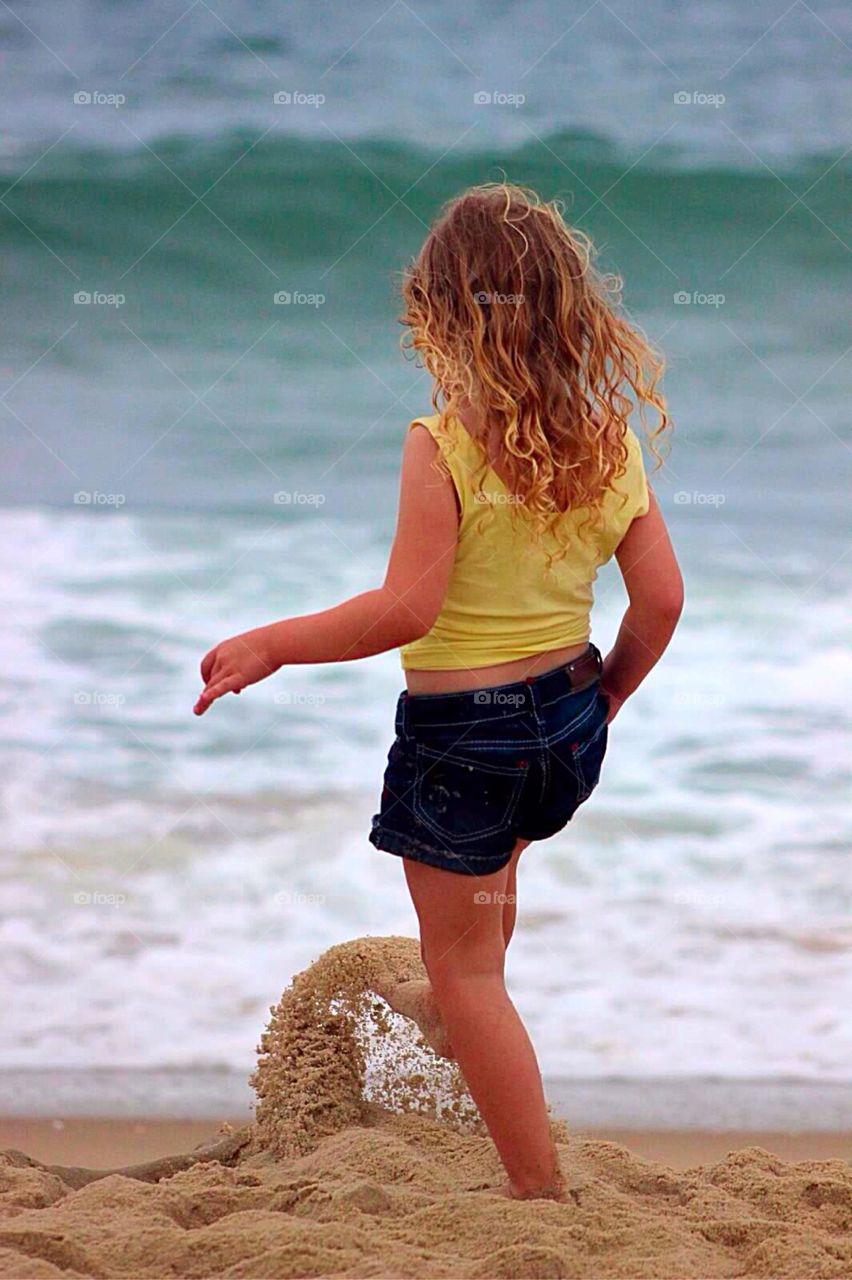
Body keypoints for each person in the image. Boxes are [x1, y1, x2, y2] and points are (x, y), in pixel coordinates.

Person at [193, 182, 684, 1201]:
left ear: (446, 317)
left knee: (473, 976)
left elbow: (407, 609)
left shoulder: (444, 444)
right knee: (484, 899)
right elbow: (664, 601)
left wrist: (274, 643)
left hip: (465, 736)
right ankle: (446, 1002)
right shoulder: (606, 442)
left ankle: (537, 1191)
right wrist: (605, 707)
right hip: (566, 726)